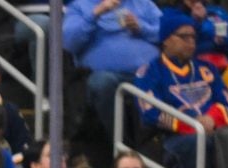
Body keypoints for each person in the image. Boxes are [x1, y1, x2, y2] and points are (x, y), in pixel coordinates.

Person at [134, 11, 228, 168]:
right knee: (197, 144)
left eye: (193, 37)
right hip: (169, 139)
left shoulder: (207, 69)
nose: (191, 42)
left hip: (210, 132)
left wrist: (211, 119)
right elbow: (150, 111)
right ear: (166, 40)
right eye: (184, 37)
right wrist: (193, 125)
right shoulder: (149, 72)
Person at [63, 0, 163, 142]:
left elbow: (169, 34)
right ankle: (123, 147)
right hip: (109, 76)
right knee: (102, 83)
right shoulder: (80, 6)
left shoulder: (143, 3)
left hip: (149, 73)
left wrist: (142, 28)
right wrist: (95, 14)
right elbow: (68, 43)